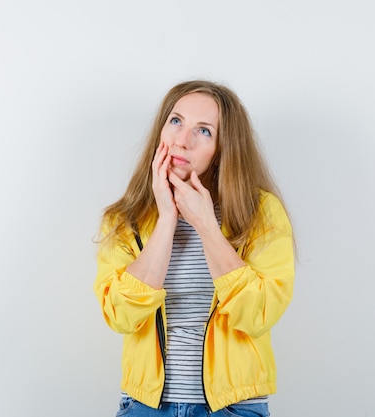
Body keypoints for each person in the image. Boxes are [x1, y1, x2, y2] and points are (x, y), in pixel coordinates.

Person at [94, 80, 294, 417]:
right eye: (176, 121)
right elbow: (120, 315)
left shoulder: (261, 212)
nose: (182, 141)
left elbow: (260, 313)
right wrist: (166, 218)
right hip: (145, 407)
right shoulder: (125, 219)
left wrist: (206, 226)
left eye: (203, 131)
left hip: (232, 408)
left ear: (223, 148)